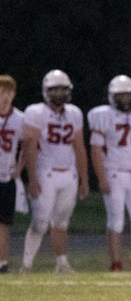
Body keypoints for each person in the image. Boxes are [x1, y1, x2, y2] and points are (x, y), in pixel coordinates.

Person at [21, 70, 89, 273]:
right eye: (55, 89)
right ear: (45, 91)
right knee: (40, 222)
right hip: (46, 171)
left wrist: (84, 179)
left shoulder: (74, 113)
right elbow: (30, 148)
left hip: (69, 173)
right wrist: (32, 179)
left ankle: (61, 263)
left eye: (63, 89)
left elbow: (79, 147)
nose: (59, 93)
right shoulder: (35, 112)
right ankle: (26, 265)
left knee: (61, 221)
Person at [88, 75, 131, 271]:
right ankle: (116, 262)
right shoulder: (103, 116)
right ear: (112, 97)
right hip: (114, 172)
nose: (125, 99)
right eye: (121, 96)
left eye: (128, 95)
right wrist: (102, 178)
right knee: (116, 220)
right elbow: (96, 150)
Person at [0, 75, 26, 274]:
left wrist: (20, 166)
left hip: (6, 177)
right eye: (1, 92)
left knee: (4, 223)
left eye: (8, 92)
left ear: (14, 94)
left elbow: (28, 144)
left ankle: (2, 261)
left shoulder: (20, 118)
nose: (4, 97)